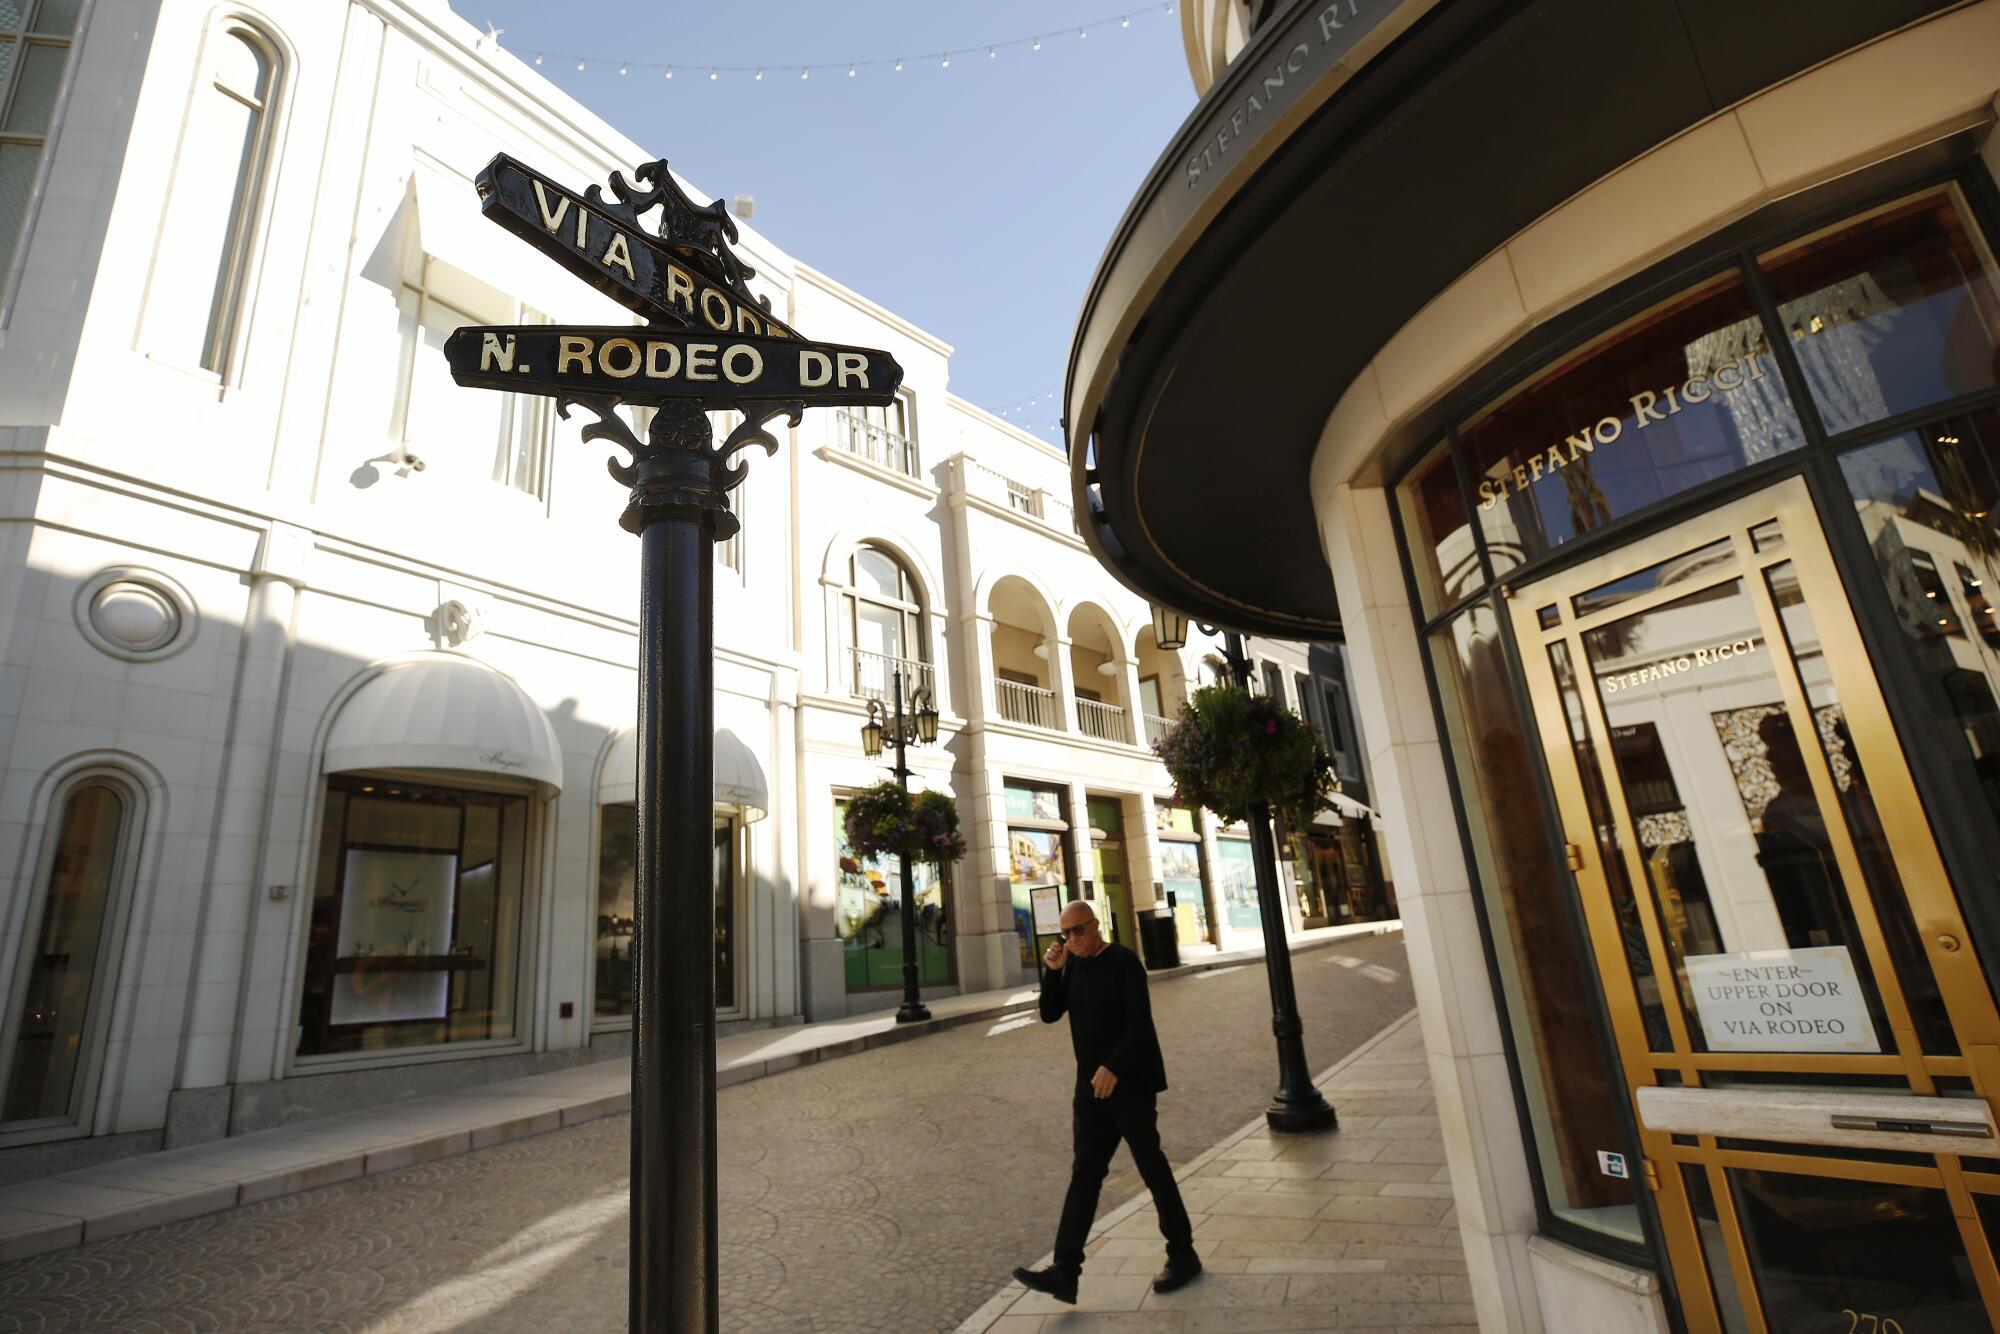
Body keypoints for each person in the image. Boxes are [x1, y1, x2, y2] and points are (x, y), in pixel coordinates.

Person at [1011, 900, 1200, 1305]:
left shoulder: (1124, 962)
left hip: (1129, 1085)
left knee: (1152, 1168)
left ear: (1096, 926)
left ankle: (1183, 1255)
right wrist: (1052, 972)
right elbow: (1048, 1013)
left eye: (1079, 930)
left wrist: (1114, 1066)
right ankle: (1065, 1273)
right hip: (1091, 1090)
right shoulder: (1073, 964)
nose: (1072, 939)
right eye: (1065, 934)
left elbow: (1139, 1022)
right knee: (1085, 1174)